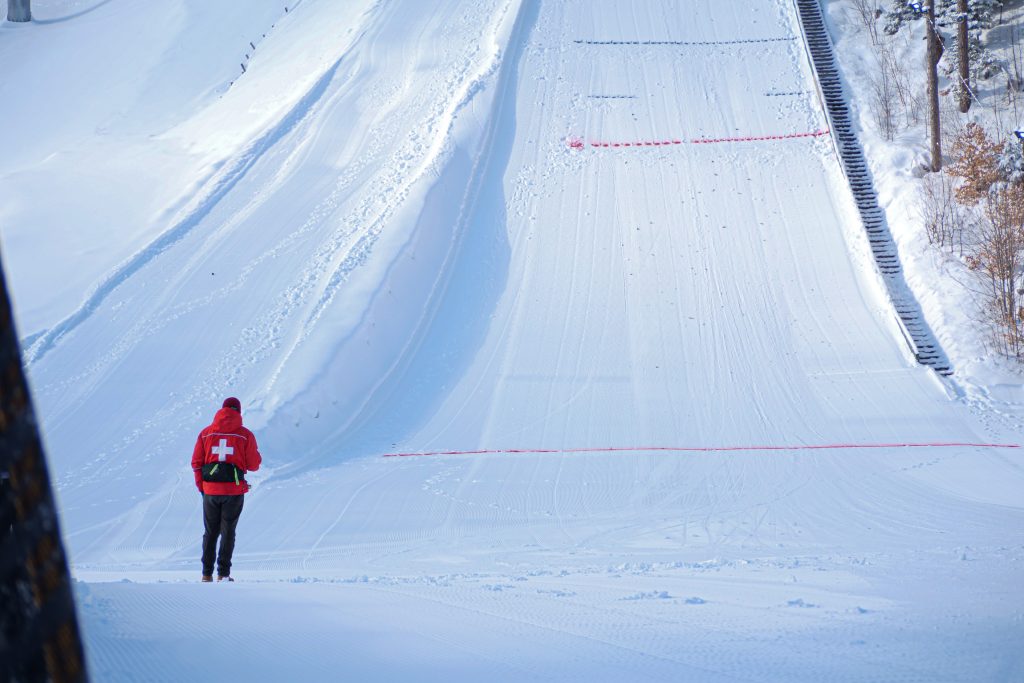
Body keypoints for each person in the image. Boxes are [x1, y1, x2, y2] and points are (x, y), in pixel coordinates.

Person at [191, 397, 262, 582]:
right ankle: (223, 574)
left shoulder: (205, 433)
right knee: (228, 531)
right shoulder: (245, 435)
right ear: (238, 411)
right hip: (234, 492)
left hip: (210, 492)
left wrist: (202, 487)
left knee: (210, 532)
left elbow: (197, 463)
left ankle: (206, 574)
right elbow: (254, 465)